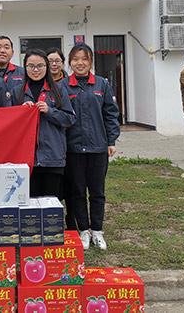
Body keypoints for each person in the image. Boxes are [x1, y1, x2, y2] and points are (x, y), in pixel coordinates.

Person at [61, 43, 120, 251]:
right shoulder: (63, 86)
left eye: (84, 59)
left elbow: (111, 114)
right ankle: (83, 230)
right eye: (75, 59)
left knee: (97, 192)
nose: (80, 63)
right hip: (73, 149)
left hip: (98, 148)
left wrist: (111, 141)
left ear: (91, 61)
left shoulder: (102, 85)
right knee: (77, 192)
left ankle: (97, 230)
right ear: (70, 62)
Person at [11, 49, 75, 198]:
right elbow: (9, 124)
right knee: (29, 204)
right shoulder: (16, 92)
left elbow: (69, 119)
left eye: (40, 65)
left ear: (46, 66)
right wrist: (20, 112)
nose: (36, 70)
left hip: (52, 157)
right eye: (31, 66)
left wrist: (49, 111)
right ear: (25, 67)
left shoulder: (58, 90)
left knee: (51, 203)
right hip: (26, 159)